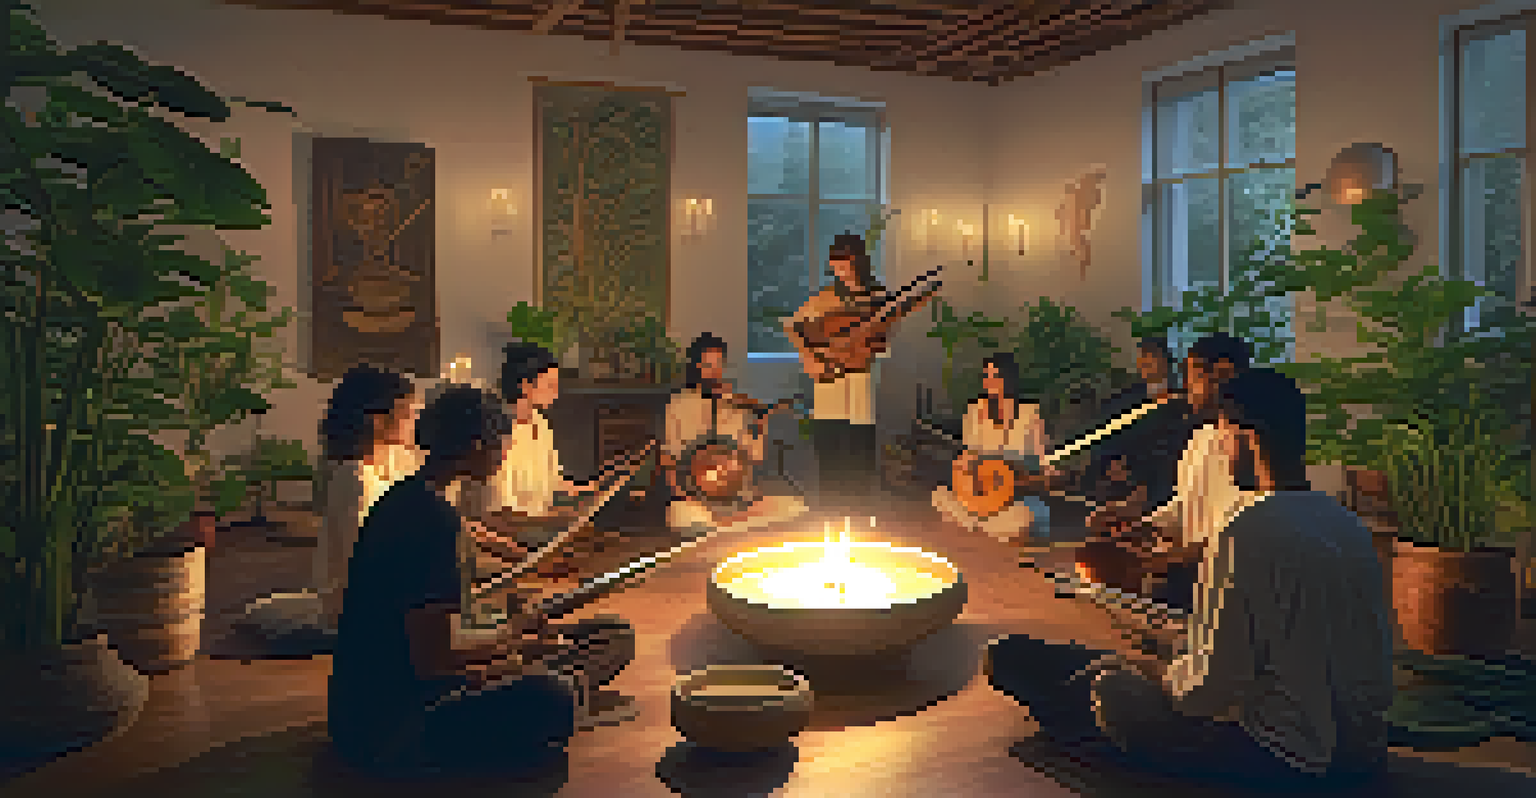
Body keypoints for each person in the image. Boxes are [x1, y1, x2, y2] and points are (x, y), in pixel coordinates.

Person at [986, 368, 1393, 786]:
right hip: (1360, 752)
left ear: (1246, 436)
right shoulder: (1349, 527)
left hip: (1281, 758)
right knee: (1126, 661)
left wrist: (1152, 670)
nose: (1220, 451)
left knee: (1108, 688)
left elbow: (1206, 692)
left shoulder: (1245, 530)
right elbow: (1367, 667)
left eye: (1222, 439)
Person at [329, 385, 636, 776]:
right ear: (477, 445)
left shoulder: (414, 495)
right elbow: (432, 661)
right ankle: (548, 695)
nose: (505, 452)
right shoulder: (428, 519)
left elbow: (445, 619)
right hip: (392, 728)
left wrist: (512, 631)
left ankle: (550, 688)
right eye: (501, 442)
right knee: (553, 697)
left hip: (392, 700)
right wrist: (511, 649)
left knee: (610, 634)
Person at [1079, 333, 1252, 604]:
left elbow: (1246, 533)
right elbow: (1182, 506)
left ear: (1222, 375)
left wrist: (1167, 558)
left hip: (1227, 582)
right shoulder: (1200, 437)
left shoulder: (1252, 447)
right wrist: (1140, 525)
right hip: (1187, 575)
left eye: (1191, 375)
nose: (1185, 385)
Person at [784, 233, 932, 515]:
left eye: (844, 261)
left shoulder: (878, 297)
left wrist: (865, 343)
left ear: (857, 261)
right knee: (830, 458)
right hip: (828, 388)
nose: (838, 268)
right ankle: (829, 525)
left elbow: (884, 339)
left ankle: (858, 526)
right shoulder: (826, 297)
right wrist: (812, 357)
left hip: (860, 386)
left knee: (858, 459)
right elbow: (794, 327)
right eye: (835, 263)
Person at [451, 343, 601, 581]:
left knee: (586, 535)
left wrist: (586, 492)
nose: (557, 392)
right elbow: (496, 514)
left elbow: (552, 480)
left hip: (531, 525)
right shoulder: (497, 431)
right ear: (525, 385)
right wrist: (557, 521)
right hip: (501, 529)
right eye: (550, 385)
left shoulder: (541, 424)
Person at [662, 333, 808, 535]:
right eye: (707, 366)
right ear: (695, 367)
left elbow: (753, 458)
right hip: (695, 499)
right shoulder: (678, 405)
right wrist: (684, 496)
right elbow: (669, 461)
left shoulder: (738, 406)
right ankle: (722, 527)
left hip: (736, 499)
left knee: (793, 507)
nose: (714, 373)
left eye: (718, 365)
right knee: (683, 514)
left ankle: (730, 526)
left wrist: (761, 424)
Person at [314, 365, 424, 625]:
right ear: (377, 420)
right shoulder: (354, 479)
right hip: (358, 606)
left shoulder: (394, 464)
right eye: (409, 415)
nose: (416, 423)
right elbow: (367, 565)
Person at [931, 352, 1056, 544]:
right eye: (986, 376)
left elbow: (1041, 459)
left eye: (995, 376)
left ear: (1009, 378)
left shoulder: (1029, 413)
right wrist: (967, 473)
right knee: (940, 496)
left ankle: (983, 525)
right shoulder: (975, 410)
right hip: (980, 491)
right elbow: (968, 454)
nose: (990, 382)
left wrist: (1047, 475)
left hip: (1013, 495)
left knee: (1023, 516)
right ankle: (981, 522)